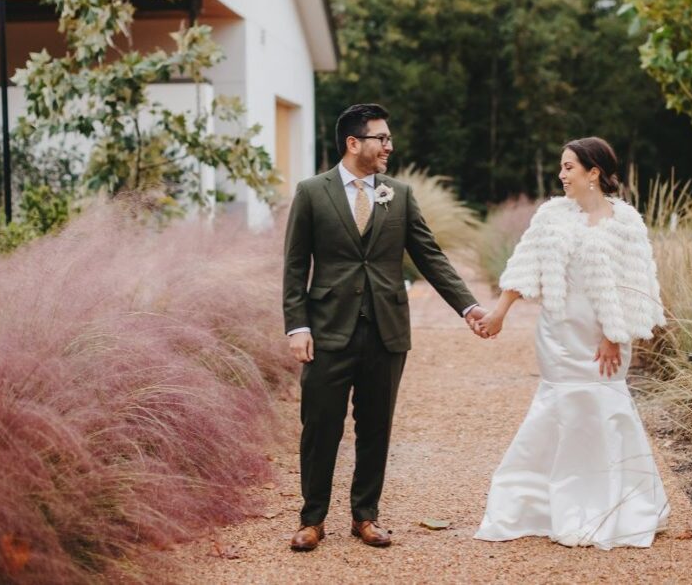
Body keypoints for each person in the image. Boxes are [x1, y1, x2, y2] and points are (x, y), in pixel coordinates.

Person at [283, 103, 489, 551]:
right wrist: (297, 325)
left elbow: (430, 256)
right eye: (382, 138)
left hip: (386, 329)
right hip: (328, 328)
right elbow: (296, 267)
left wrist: (467, 306)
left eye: (389, 139)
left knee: (376, 426)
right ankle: (312, 519)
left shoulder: (399, 193)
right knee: (321, 426)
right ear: (353, 143)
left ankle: (365, 516)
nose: (389, 146)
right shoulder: (311, 193)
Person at [473, 136, 670, 549]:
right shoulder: (551, 217)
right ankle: (540, 503)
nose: (561, 175)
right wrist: (498, 315)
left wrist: (614, 337)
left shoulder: (626, 222)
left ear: (593, 172)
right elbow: (524, 266)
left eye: (568, 168)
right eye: (561, 167)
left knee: (604, 406)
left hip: (605, 335)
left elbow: (634, 286)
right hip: (559, 333)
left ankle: (614, 504)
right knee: (558, 406)